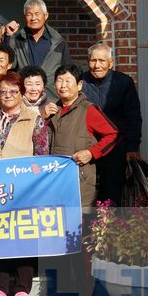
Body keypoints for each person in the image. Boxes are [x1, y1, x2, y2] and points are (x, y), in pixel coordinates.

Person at [0, 71, 50, 296]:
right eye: (2, 91)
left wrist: (36, 187)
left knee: (23, 239)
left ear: (22, 93)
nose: (7, 95)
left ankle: (21, 290)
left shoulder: (34, 119)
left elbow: (42, 156)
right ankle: (0, 288)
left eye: (13, 91)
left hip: (24, 189)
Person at [49, 64, 118, 211]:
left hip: (79, 182)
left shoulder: (88, 110)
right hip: (54, 182)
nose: (63, 85)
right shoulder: (52, 110)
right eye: (59, 80)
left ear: (79, 85)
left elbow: (113, 134)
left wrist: (91, 153)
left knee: (80, 222)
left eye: (68, 81)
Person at [81, 43, 142, 205]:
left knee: (111, 197)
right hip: (87, 148)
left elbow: (133, 117)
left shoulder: (124, 83)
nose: (97, 65)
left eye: (102, 61)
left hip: (115, 148)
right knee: (86, 196)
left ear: (111, 63)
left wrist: (132, 147)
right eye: (93, 60)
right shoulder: (81, 82)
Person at [8, 0, 73, 99]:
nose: (33, 18)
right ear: (24, 17)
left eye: (37, 14)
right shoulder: (17, 40)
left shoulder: (58, 41)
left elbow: (67, 71)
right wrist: (8, 37)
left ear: (46, 15)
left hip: (52, 98)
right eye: (29, 14)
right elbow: (9, 66)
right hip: (24, 97)